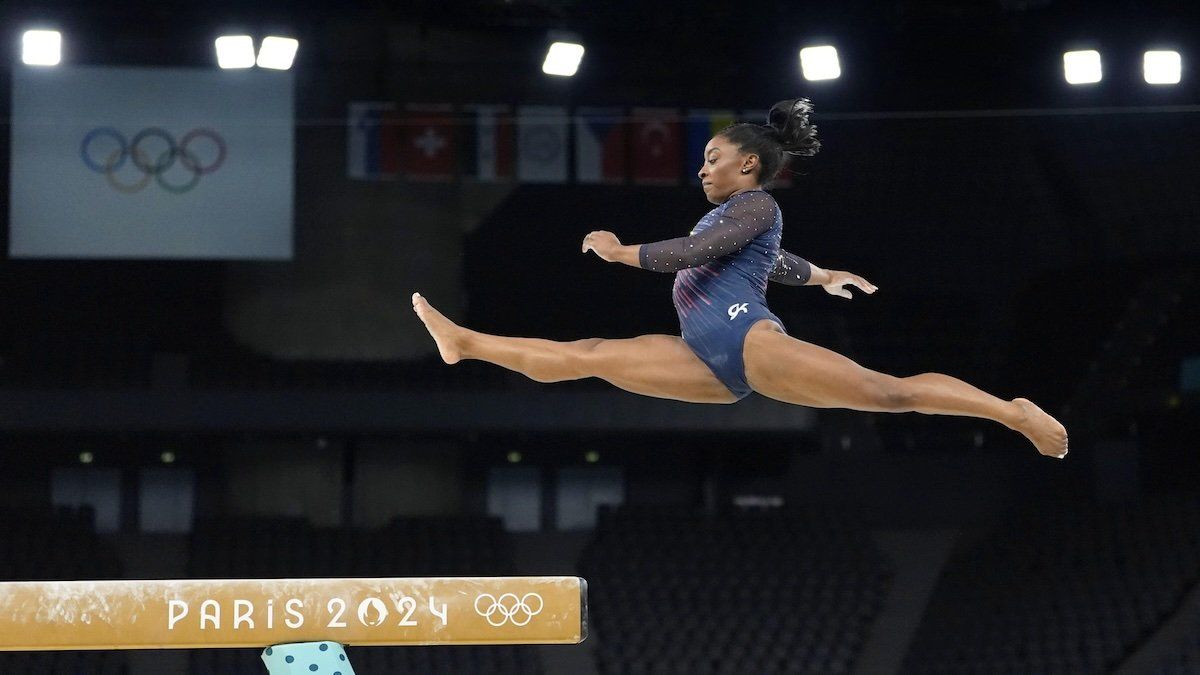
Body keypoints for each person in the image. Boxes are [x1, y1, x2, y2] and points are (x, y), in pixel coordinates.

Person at [412, 98, 1068, 458]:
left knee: (885, 392)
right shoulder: (733, 218)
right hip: (704, 356)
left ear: (748, 163)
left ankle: (1009, 411)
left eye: (712, 157)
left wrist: (618, 252)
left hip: (747, 337)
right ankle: (465, 343)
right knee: (589, 357)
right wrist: (820, 274)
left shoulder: (753, 206)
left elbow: (703, 253)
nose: (702, 168)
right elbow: (768, 262)